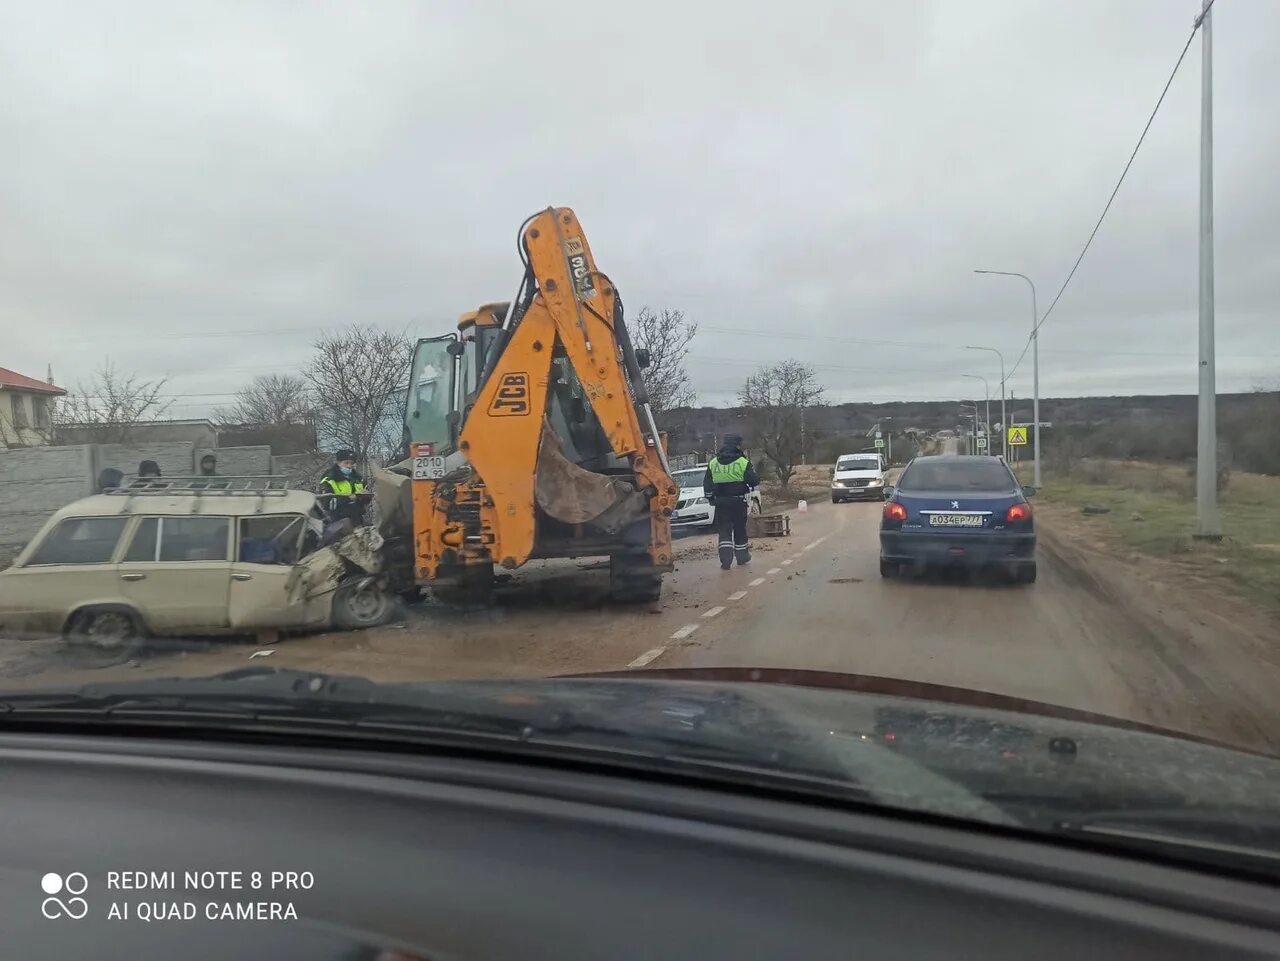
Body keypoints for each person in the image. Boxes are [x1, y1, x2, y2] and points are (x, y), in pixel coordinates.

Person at [703, 434, 760, 571]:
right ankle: (742, 557)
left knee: (724, 531)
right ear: (738, 445)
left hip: (721, 502)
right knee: (739, 529)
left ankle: (726, 561)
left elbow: (707, 484)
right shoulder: (742, 462)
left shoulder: (713, 462)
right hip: (738, 501)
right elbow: (753, 481)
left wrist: (710, 498)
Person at [317, 449, 371, 529]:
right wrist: (348, 498)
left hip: (357, 519)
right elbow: (326, 503)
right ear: (338, 462)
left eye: (352, 463)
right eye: (346, 463)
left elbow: (365, 501)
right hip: (338, 522)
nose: (349, 466)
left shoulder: (358, 479)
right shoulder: (329, 479)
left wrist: (365, 496)